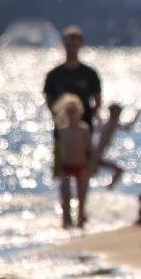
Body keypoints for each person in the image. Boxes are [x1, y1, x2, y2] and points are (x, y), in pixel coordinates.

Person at [44, 25, 103, 131]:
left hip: (85, 129)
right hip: (61, 130)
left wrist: (86, 116)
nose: (72, 48)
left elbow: (97, 101)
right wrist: (59, 116)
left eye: (74, 45)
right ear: (63, 44)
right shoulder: (54, 75)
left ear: (81, 45)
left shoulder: (90, 74)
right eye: (69, 44)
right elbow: (49, 100)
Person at [52, 94, 93, 228]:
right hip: (66, 166)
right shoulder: (62, 131)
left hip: (80, 165)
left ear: (79, 112)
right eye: (68, 112)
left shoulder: (84, 129)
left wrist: (92, 165)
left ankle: (81, 219)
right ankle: (66, 219)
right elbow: (58, 152)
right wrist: (56, 168)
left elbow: (89, 149)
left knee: (81, 194)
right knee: (65, 193)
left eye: (73, 111)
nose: (71, 114)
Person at [93, 102, 138, 188]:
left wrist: (96, 114)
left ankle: (106, 189)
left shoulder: (107, 123)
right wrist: (137, 115)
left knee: (92, 174)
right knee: (118, 170)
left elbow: (98, 127)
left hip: (96, 154)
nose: (119, 115)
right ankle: (108, 189)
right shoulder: (112, 124)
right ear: (114, 113)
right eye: (119, 113)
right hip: (97, 155)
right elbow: (127, 128)